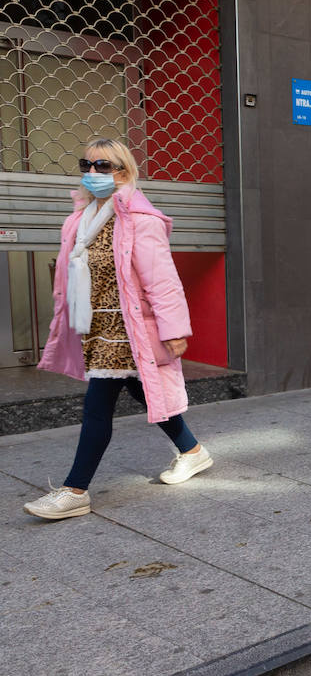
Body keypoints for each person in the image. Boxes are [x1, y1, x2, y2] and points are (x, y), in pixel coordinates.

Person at [24, 138, 212, 521]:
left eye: (104, 166)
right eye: (87, 164)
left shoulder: (141, 221)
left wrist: (174, 330)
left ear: (124, 172)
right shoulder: (79, 221)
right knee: (143, 390)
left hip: (129, 327)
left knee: (98, 404)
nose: (93, 173)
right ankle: (193, 452)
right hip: (96, 325)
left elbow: (163, 281)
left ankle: (75, 490)